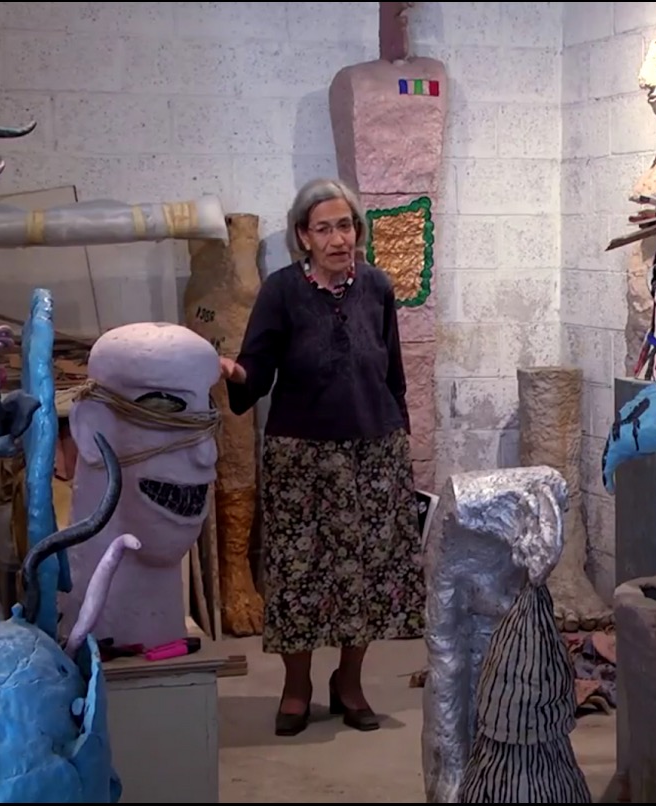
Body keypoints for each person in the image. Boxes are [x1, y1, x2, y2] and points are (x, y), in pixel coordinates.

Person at [221, 178, 425, 737]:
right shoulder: (282, 291)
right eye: (324, 229)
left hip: (374, 452)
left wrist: (401, 434)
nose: (338, 239)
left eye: (346, 226)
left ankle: (349, 683)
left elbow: (393, 372)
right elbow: (256, 371)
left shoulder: (377, 286)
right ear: (302, 236)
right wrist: (234, 373)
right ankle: (296, 688)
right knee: (298, 576)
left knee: (366, 576)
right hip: (300, 456)